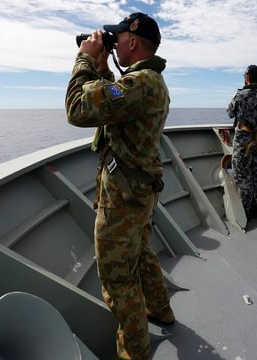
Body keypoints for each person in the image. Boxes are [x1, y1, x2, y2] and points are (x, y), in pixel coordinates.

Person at [65, 12, 173, 360]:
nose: (113, 43)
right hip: (139, 192)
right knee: (140, 253)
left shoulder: (138, 83)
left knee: (118, 281)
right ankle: (160, 310)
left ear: (131, 41)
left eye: (116, 38)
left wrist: (84, 60)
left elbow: (78, 109)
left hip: (123, 201)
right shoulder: (148, 81)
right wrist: (102, 66)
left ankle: (134, 353)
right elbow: (114, 102)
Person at [227, 65, 257, 220]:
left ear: (247, 77)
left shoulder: (241, 95)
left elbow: (230, 112)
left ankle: (245, 211)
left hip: (243, 140)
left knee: (242, 174)